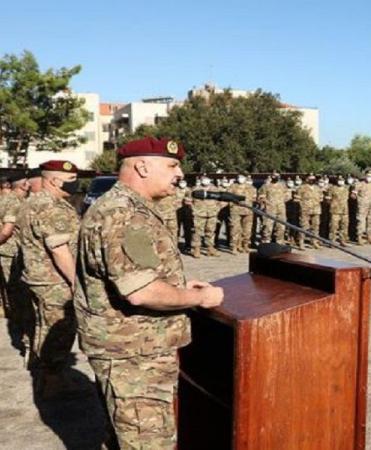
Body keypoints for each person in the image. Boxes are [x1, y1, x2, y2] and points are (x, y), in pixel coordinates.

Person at [74, 137, 223, 449]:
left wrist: (178, 288)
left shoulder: (126, 208)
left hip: (133, 353)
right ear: (141, 167)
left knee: (124, 439)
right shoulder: (124, 214)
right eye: (171, 165)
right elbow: (141, 291)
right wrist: (199, 298)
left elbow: (139, 276)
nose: (179, 173)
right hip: (134, 357)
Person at [17, 160, 81, 397]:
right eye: (72, 181)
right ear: (55, 180)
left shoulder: (32, 202)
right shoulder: (51, 208)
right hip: (55, 281)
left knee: (41, 325)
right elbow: (58, 249)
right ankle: (53, 381)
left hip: (36, 277)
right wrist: (76, 281)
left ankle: (41, 369)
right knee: (60, 328)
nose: (76, 185)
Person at [0, 172, 31, 350]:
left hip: (12, 252)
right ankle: (21, 334)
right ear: (24, 184)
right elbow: (6, 230)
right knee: (18, 296)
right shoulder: (13, 202)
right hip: (11, 253)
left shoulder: (11, 199)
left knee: (14, 295)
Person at [191, 175, 220, 257]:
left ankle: (210, 249)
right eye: (203, 179)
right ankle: (196, 249)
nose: (205, 180)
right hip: (199, 214)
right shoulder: (195, 189)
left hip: (212, 214)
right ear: (201, 180)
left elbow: (220, 200)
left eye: (207, 179)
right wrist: (194, 210)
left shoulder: (215, 189)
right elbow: (188, 201)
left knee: (211, 231)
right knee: (197, 232)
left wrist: (217, 209)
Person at [258, 171, 290, 244]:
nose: (275, 177)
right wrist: (267, 203)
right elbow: (261, 197)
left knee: (281, 226)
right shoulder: (266, 186)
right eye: (274, 175)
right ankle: (266, 242)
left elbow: (288, 194)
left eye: (277, 175)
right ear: (271, 176)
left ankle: (279, 242)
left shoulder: (283, 185)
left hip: (281, 209)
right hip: (269, 209)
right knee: (267, 226)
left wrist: (281, 201)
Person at [228, 173, 256, 253]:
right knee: (235, 229)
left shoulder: (251, 187)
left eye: (242, 177)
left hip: (248, 211)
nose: (241, 178)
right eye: (239, 177)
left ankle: (245, 245)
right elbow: (228, 197)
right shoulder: (232, 186)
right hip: (235, 210)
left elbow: (254, 198)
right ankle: (234, 246)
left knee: (247, 230)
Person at [296, 174, 324, 249]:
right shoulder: (302, 188)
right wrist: (303, 206)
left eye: (313, 178)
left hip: (316, 210)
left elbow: (321, 198)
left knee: (315, 226)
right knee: (303, 226)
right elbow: (297, 199)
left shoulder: (317, 188)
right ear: (307, 179)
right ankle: (301, 242)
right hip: (305, 209)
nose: (312, 180)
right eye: (310, 178)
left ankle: (314, 241)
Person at [352, 170, 371, 245]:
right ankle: (359, 237)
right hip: (362, 206)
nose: (369, 177)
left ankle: (369, 236)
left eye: (370, 176)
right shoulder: (359, 184)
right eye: (368, 176)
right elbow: (353, 195)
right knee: (361, 221)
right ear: (365, 176)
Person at [326, 177, 350, 246]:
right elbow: (328, 199)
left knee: (344, 226)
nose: (341, 181)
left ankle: (342, 240)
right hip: (335, 210)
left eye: (342, 180)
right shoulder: (332, 188)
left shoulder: (346, 188)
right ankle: (332, 242)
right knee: (334, 226)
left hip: (344, 210)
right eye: (339, 180)